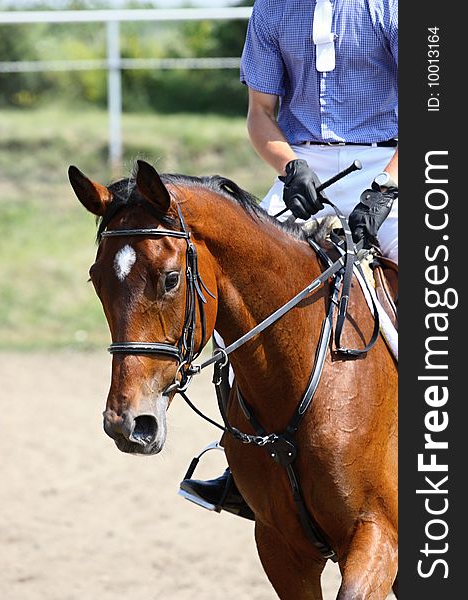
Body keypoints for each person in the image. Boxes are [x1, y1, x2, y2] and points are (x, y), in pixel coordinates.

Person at [179, 0, 398, 518]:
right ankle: (246, 461)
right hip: (303, 168)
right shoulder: (273, 8)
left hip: (391, 160)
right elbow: (260, 113)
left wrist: (387, 185)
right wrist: (291, 167)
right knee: (242, 287)